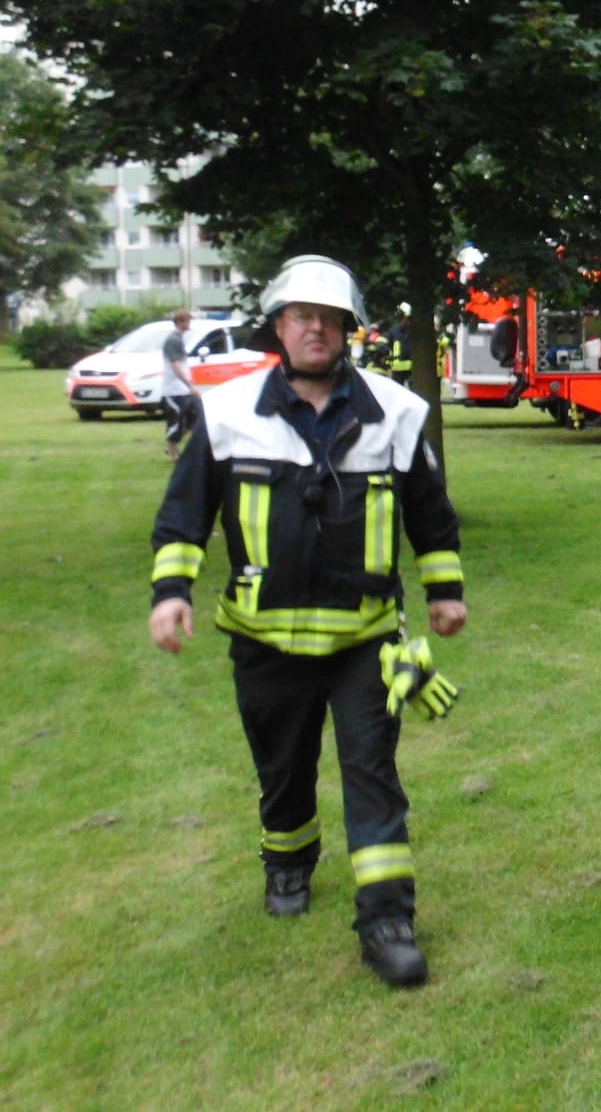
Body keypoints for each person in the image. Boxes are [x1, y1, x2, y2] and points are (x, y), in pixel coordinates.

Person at [147, 256, 468, 989]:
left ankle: (387, 923)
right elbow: (184, 512)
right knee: (282, 766)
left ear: (349, 329)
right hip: (263, 641)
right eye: (302, 317)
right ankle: (288, 861)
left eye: (329, 319)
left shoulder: (397, 412)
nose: (316, 329)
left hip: (365, 642)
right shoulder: (227, 412)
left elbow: (431, 512)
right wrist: (171, 591)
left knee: (372, 774)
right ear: (279, 328)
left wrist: (445, 589)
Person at [161, 308, 197, 461]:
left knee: (193, 419)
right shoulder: (173, 340)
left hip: (183, 390)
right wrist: (190, 385)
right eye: (188, 320)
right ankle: (172, 451)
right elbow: (175, 366)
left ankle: (172, 446)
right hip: (174, 390)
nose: (189, 323)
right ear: (181, 322)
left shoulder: (178, 339)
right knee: (176, 421)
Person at [384, 302, 415, 387]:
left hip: (402, 367)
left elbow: (389, 345)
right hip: (402, 367)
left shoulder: (395, 330)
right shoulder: (406, 329)